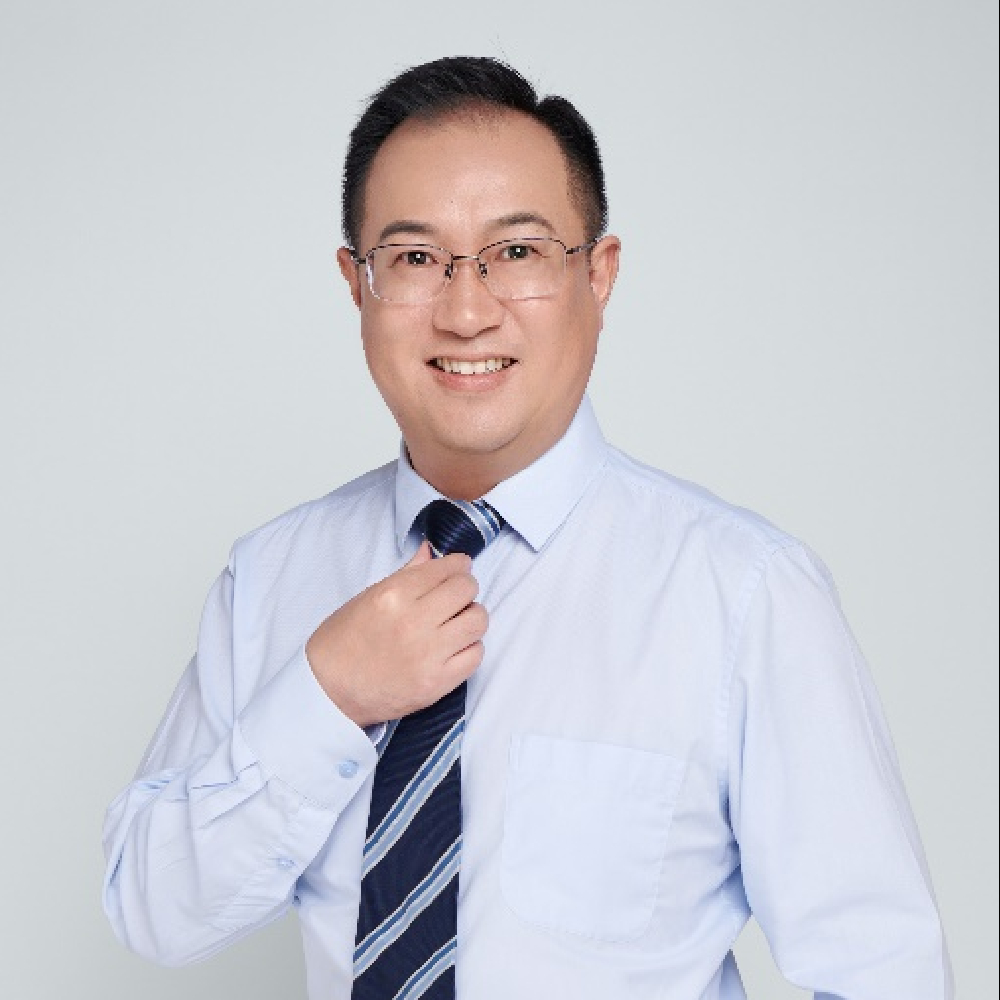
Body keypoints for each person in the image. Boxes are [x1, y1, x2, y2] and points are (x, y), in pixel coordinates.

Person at [102, 56, 952, 999]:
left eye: (517, 253)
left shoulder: (743, 594)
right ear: (357, 284)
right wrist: (324, 696)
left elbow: (884, 973)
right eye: (415, 259)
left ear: (599, 274)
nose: (467, 312)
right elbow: (154, 912)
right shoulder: (272, 576)